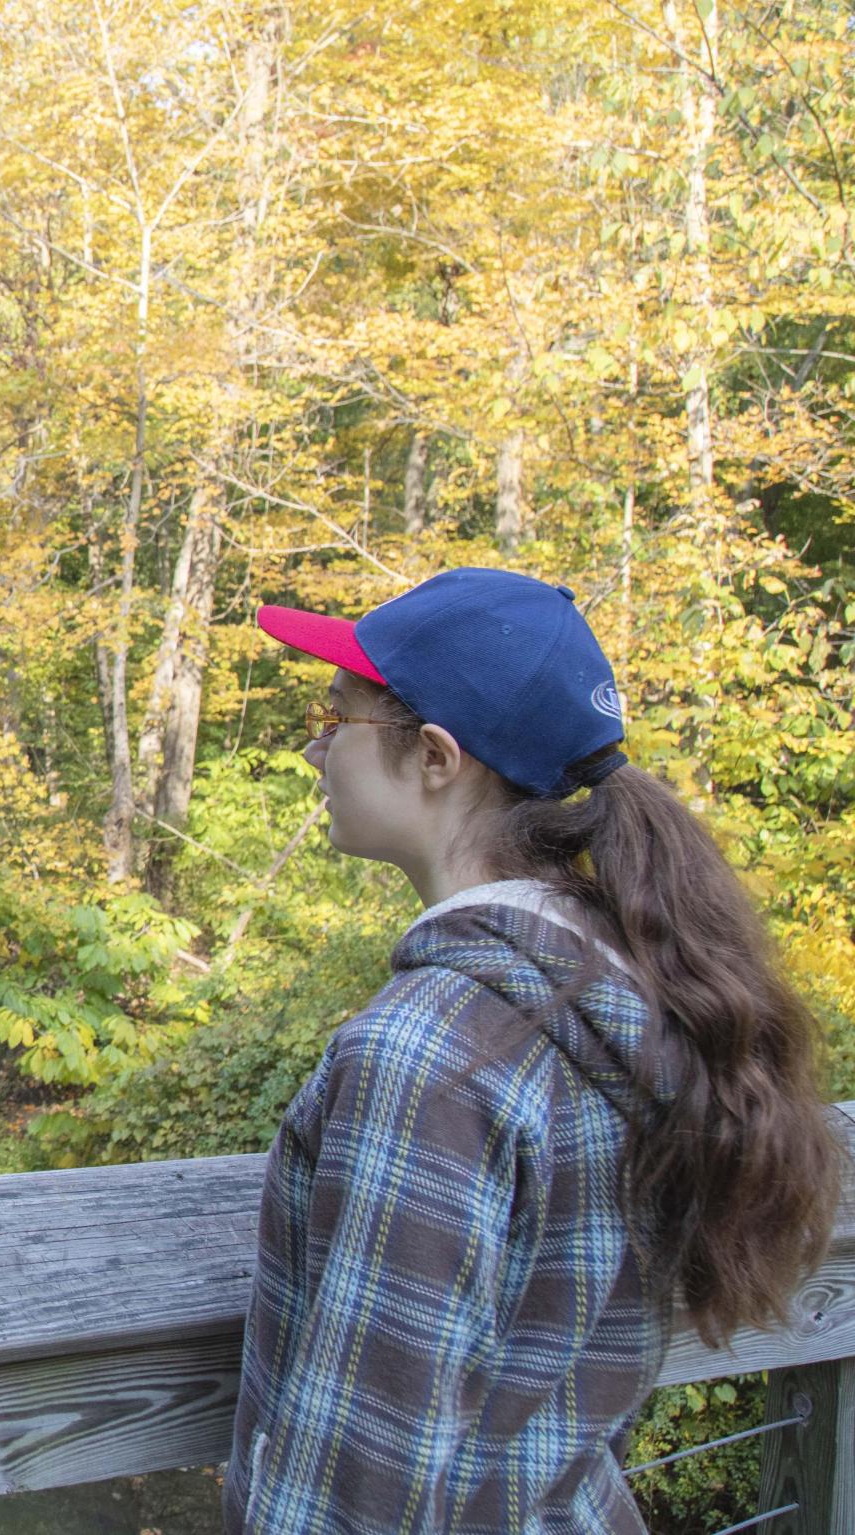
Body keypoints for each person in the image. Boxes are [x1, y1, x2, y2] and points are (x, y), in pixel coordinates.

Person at [222, 566, 844, 1534]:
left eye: (336, 718)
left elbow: (358, 1479)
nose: (313, 748)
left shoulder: (428, 1052)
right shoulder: (640, 993)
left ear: (435, 755)